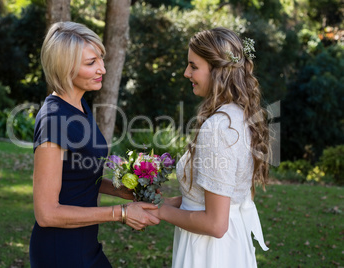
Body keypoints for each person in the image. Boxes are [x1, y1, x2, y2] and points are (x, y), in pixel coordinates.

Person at [29, 21, 160, 268]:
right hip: (60, 251)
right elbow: (46, 213)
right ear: (65, 67)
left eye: (100, 59)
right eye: (91, 63)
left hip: (85, 242)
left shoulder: (79, 106)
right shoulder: (54, 120)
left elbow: (78, 178)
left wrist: (126, 190)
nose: (102, 69)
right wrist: (120, 213)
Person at [151, 27, 270, 267]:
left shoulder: (219, 127)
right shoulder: (239, 115)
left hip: (210, 252)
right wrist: (163, 203)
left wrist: (159, 213)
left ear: (218, 71)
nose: (186, 73)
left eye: (194, 66)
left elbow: (215, 224)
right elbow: (214, 198)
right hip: (230, 244)